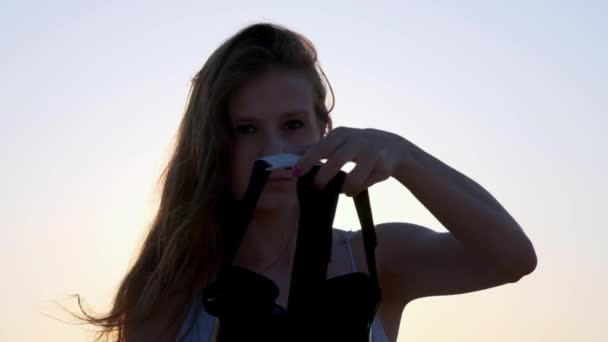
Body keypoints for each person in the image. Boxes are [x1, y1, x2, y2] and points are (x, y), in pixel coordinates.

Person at [73, 22, 537, 342]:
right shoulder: (171, 285)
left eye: (293, 124)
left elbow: (511, 259)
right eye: (246, 129)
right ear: (214, 144)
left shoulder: (372, 258)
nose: (272, 148)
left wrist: (404, 156)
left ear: (324, 131)